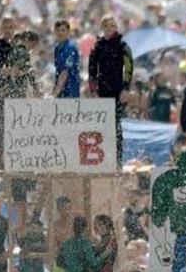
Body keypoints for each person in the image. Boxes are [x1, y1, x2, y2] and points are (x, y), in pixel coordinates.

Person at [0, 16, 36, 166]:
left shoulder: (20, 49)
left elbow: (28, 70)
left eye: (11, 28)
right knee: (2, 126)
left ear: (15, 28)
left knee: (19, 125)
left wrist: (20, 73)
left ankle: (19, 157)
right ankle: (2, 159)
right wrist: (2, 72)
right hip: (1, 93)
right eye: (5, 27)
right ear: (1, 29)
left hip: (18, 94)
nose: (8, 31)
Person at [88, 16, 134, 164]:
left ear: (117, 28)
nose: (110, 29)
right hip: (101, 90)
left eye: (113, 26)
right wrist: (93, 90)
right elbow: (92, 69)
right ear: (102, 28)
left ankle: (117, 161)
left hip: (117, 89)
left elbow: (129, 67)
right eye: (107, 26)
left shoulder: (122, 45)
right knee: (102, 124)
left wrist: (126, 88)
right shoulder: (97, 46)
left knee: (116, 125)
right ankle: (104, 160)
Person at [51, 19, 80, 98]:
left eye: (63, 30)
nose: (60, 33)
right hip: (61, 90)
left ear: (68, 31)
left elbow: (65, 72)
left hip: (70, 90)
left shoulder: (70, 48)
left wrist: (55, 93)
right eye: (58, 30)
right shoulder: (57, 48)